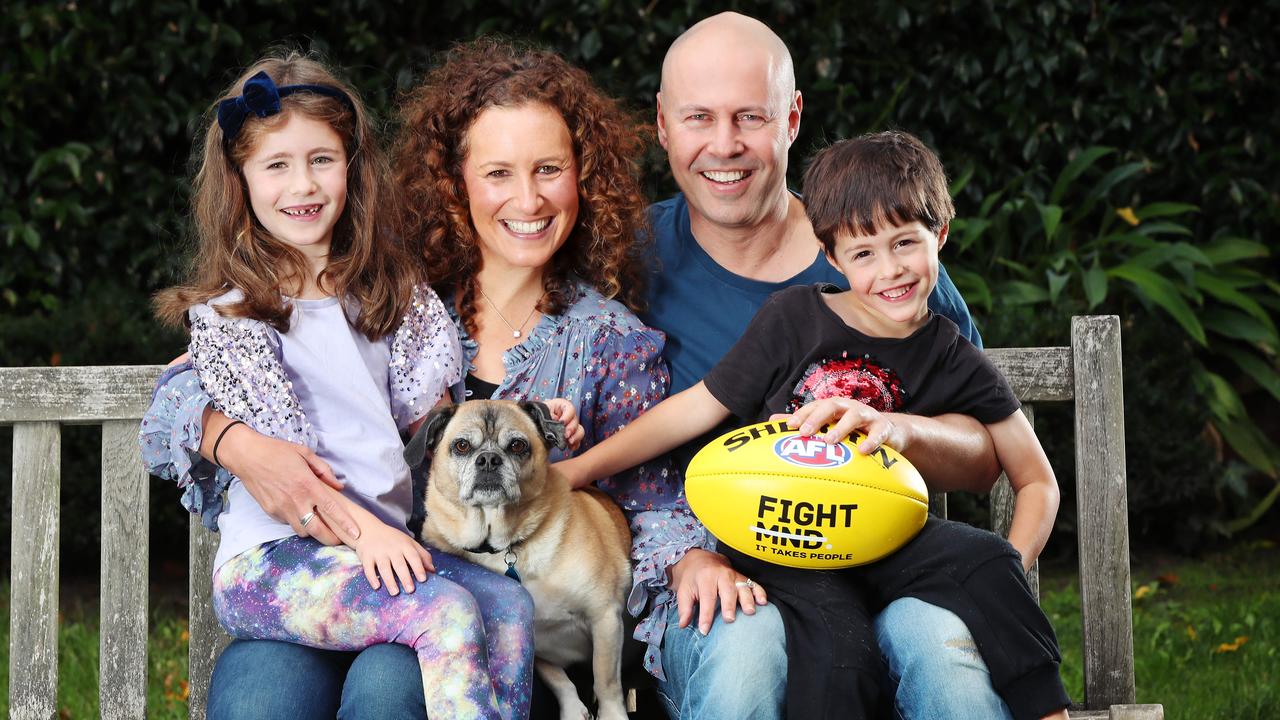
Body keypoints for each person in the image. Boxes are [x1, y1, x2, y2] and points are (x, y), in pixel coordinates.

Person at [141, 39, 688, 717]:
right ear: (454, 181)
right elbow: (184, 388)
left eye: (549, 169)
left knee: (448, 643)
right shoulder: (395, 293)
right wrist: (240, 445)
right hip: (315, 563)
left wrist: (553, 444)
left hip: (422, 576)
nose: (527, 197)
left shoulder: (405, 302)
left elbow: (655, 507)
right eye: (497, 173)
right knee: (265, 695)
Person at [559, 130, 1071, 720]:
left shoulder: (955, 356)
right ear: (831, 258)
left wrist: (996, 581)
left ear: (942, 235)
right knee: (837, 660)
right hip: (786, 539)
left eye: (906, 243)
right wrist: (580, 469)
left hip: (892, 540)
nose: (891, 270)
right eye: (864, 253)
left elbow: (1038, 482)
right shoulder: (794, 319)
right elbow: (693, 408)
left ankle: (1046, 712)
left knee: (988, 561)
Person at [636, 12, 1016, 720]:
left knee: (945, 653)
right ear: (663, 125)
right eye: (699, 118)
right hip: (723, 579)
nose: (725, 145)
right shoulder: (629, 261)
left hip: (889, 568)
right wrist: (679, 555)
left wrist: (899, 428)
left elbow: (986, 452)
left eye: (750, 116)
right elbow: (603, 439)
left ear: (792, 117)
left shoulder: (876, 266)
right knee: (745, 650)